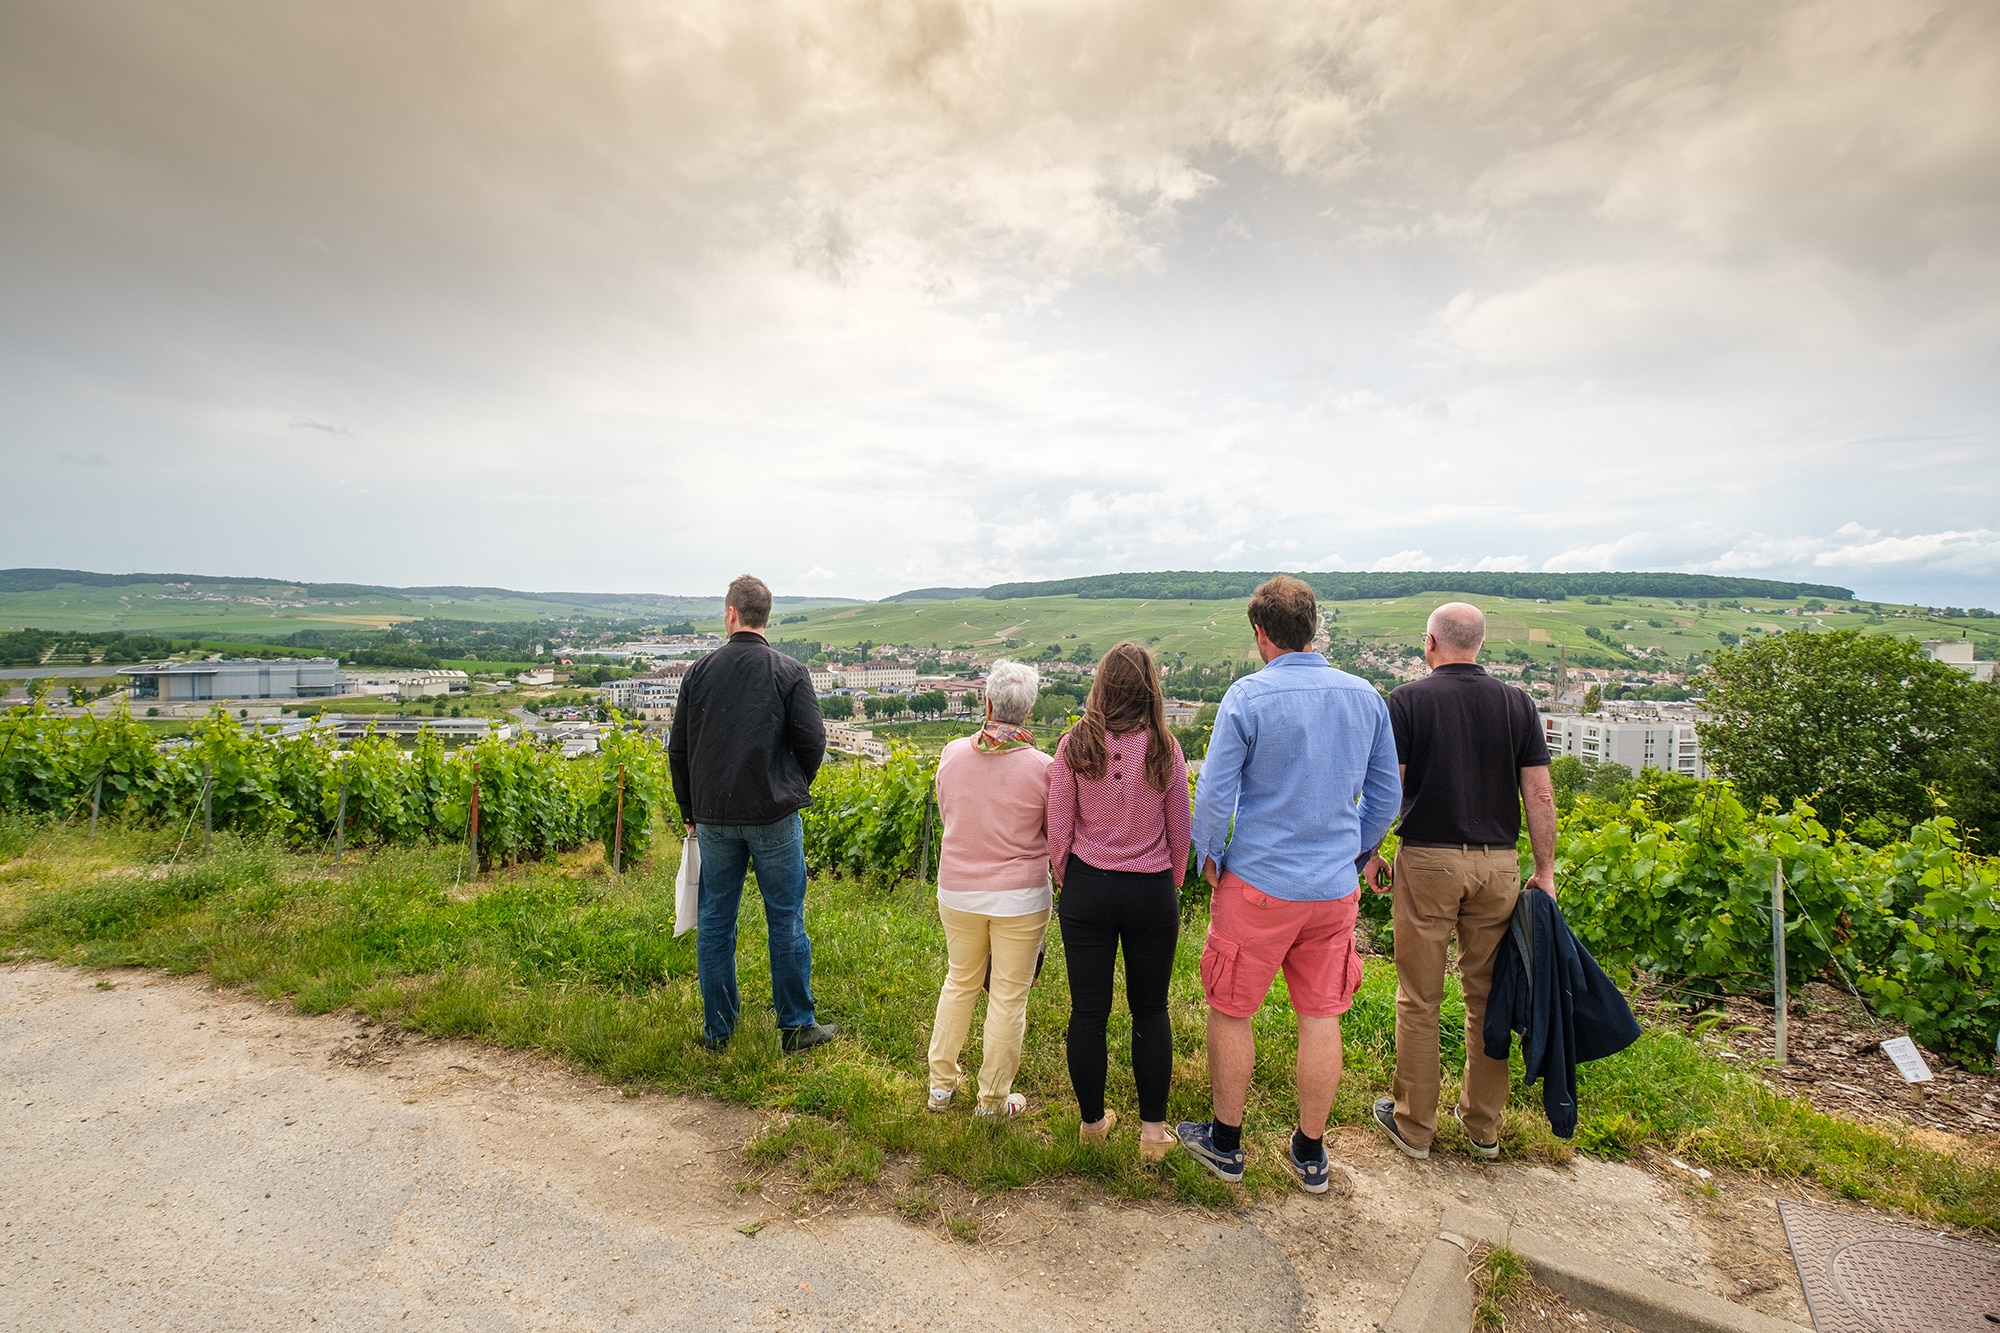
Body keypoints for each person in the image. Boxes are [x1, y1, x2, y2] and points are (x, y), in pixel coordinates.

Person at [1181, 575, 1400, 1194]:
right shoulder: (1365, 698)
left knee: (1231, 1009)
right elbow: (1386, 796)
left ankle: (1225, 1142)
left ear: (1260, 632)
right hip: (1332, 889)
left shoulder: (1247, 698)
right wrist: (1355, 850)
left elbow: (1216, 792)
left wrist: (1209, 854)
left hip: (1259, 883)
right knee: (1320, 1014)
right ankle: (1310, 1152)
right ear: (1313, 627)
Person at [1364, 601, 1556, 1161]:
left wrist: (1372, 852)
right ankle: (1482, 1127)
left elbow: (1387, 788)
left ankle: (1415, 1127)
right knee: (1488, 997)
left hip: (1427, 860)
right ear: (1480, 644)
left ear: (1430, 643)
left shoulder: (1407, 701)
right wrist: (1543, 870)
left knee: (1420, 998)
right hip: (1498, 864)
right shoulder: (1517, 703)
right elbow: (1539, 793)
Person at [668, 574, 836, 1056]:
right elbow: (813, 743)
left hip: (714, 816)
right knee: (785, 919)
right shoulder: (789, 671)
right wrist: (788, 785)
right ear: (765, 617)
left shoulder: (698, 672)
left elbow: (678, 749)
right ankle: (797, 1028)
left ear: (731, 614)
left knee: (716, 920)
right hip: (774, 816)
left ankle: (718, 1032)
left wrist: (689, 810)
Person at [1046, 642, 1190, 1160]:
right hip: (1150, 888)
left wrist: (1070, 880)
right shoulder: (1164, 748)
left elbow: (1057, 829)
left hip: (1088, 886)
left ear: (1101, 685)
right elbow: (1181, 831)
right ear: (1151, 687)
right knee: (1151, 1010)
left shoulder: (1074, 745)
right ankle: (1153, 1134)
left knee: (1088, 1012)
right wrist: (1166, 887)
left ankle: (1091, 1124)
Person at [928, 660, 1053, 1117]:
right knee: (1008, 995)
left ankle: (940, 1087)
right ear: (1031, 708)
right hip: (1021, 897)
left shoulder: (952, 754)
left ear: (988, 702)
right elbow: (1055, 837)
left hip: (958, 889)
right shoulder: (1045, 769)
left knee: (959, 980)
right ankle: (993, 1100)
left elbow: (948, 814)